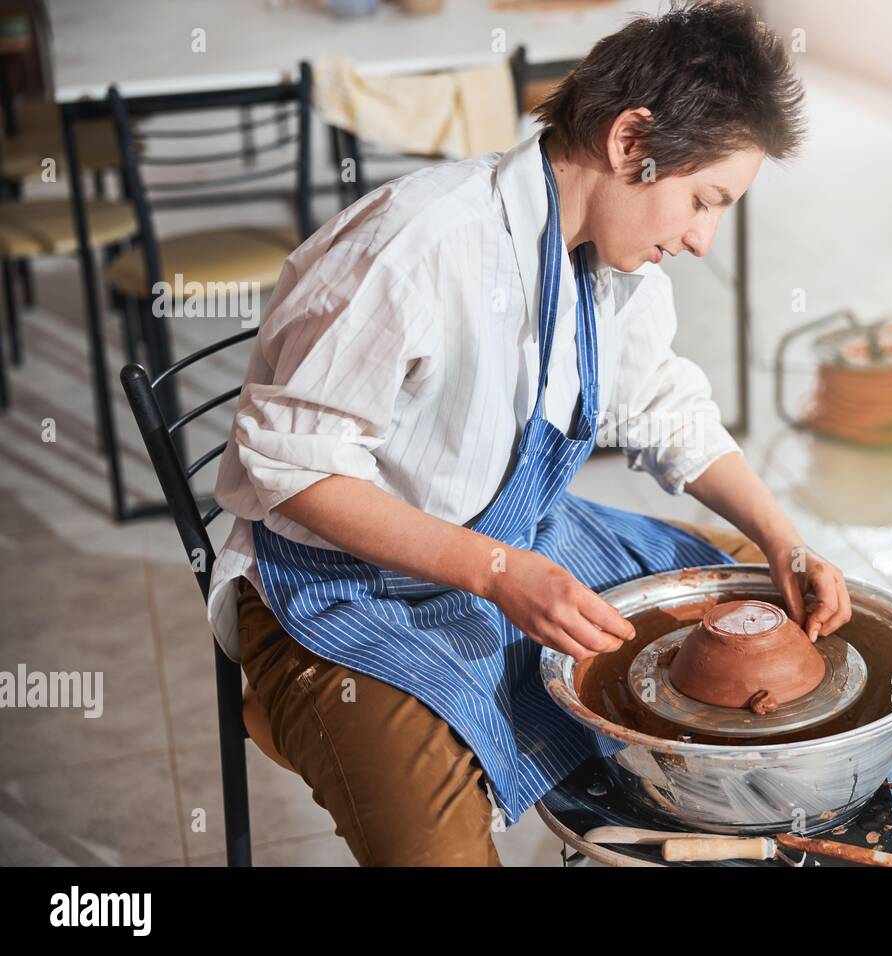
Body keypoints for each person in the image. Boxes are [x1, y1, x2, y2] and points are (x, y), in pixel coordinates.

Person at [207, 0, 851, 866]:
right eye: (704, 201)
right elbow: (290, 470)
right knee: (440, 853)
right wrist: (497, 572)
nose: (703, 239)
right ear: (631, 142)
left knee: (751, 610)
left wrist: (783, 536)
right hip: (336, 592)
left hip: (511, 543)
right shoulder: (419, 245)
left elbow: (664, 405)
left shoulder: (611, 260)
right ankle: (332, 722)